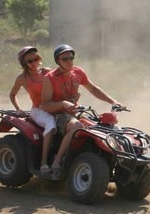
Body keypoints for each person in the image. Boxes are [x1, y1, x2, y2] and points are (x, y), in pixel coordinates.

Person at [41, 44, 125, 175]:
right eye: (65, 59)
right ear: (58, 61)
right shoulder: (50, 78)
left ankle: (117, 161)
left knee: (106, 127)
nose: (69, 61)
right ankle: (57, 162)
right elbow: (45, 105)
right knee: (77, 126)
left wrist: (113, 101)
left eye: (71, 57)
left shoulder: (78, 72)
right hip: (58, 115)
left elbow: (93, 89)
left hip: (75, 113)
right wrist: (63, 104)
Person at [9, 46, 57, 175]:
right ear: (24, 64)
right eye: (30, 61)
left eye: (36, 59)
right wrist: (18, 109)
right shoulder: (22, 78)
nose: (34, 63)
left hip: (54, 107)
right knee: (51, 124)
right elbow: (12, 94)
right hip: (39, 110)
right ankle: (43, 163)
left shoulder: (47, 72)